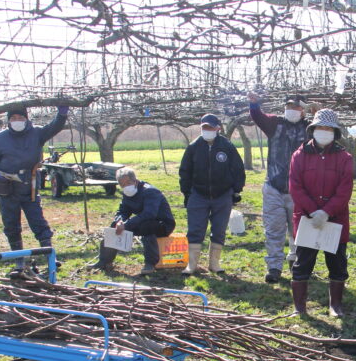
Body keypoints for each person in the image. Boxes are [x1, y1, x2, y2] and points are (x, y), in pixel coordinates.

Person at [289, 109, 354, 317]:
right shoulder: (299, 156)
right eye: (320, 128)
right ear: (313, 130)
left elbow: (345, 190)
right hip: (307, 220)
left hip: (335, 220)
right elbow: (295, 186)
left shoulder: (344, 158)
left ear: (335, 132)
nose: (324, 132)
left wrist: (326, 212)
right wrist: (312, 210)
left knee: (337, 263)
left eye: (328, 128)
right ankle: (299, 307)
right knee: (303, 263)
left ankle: (335, 306)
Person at [0, 103, 68, 271]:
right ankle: (19, 260)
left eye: (20, 118)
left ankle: (49, 256)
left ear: (26, 119)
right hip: (7, 189)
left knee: (38, 221)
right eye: (13, 118)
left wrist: (61, 115)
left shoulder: (36, 133)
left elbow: (54, 127)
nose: (17, 121)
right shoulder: (0, 138)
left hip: (29, 187)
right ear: (9, 121)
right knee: (11, 224)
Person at [248, 92, 308, 283]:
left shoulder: (309, 129)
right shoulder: (275, 124)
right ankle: (274, 267)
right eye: (288, 107)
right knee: (274, 229)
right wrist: (255, 105)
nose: (291, 110)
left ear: (303, 111)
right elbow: (258, 118)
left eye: (296, 108)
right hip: (274, 186)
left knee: (298, 229)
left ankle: (296, 261)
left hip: (299, 189)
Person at [179, 114, 245, 275]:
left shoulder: (227, 146)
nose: (206, 130)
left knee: (219, 229)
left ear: (218, 128)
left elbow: (238, 169)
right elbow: (185, 172)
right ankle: (192, 264)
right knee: (195, 228)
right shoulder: (193, 147)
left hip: (222, 195)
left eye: (210, 127)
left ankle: (214, 263)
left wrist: (236, 190)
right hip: (198, 194)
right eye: (204, 128)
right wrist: (187, 192)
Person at [93, 167, 176, 276]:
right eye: (122, 184)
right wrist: (119, 221)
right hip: (140, 222)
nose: (126, 186)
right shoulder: (127, 194)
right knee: (114, 226)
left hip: (162, 224)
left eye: (128, 182)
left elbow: (149, 214)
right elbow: (122, 211)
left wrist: (127, 225)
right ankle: (104, 261)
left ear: (135, 180)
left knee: (147, 227)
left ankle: (150, 264)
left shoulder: (150, 191)